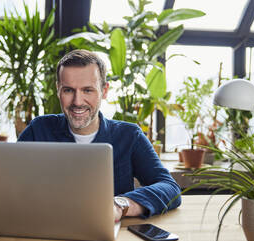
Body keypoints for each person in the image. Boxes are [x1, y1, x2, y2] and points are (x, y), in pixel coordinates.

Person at [18, 49, 181, 222]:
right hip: (46, 229)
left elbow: (170, 187)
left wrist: (120, 206)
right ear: (58, 90)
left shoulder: (129, 135)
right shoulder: (39, 129)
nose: (77, 102)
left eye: (87, 90)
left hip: (109, 235)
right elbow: (7, 182)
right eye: (68, 90)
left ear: (104, 91)